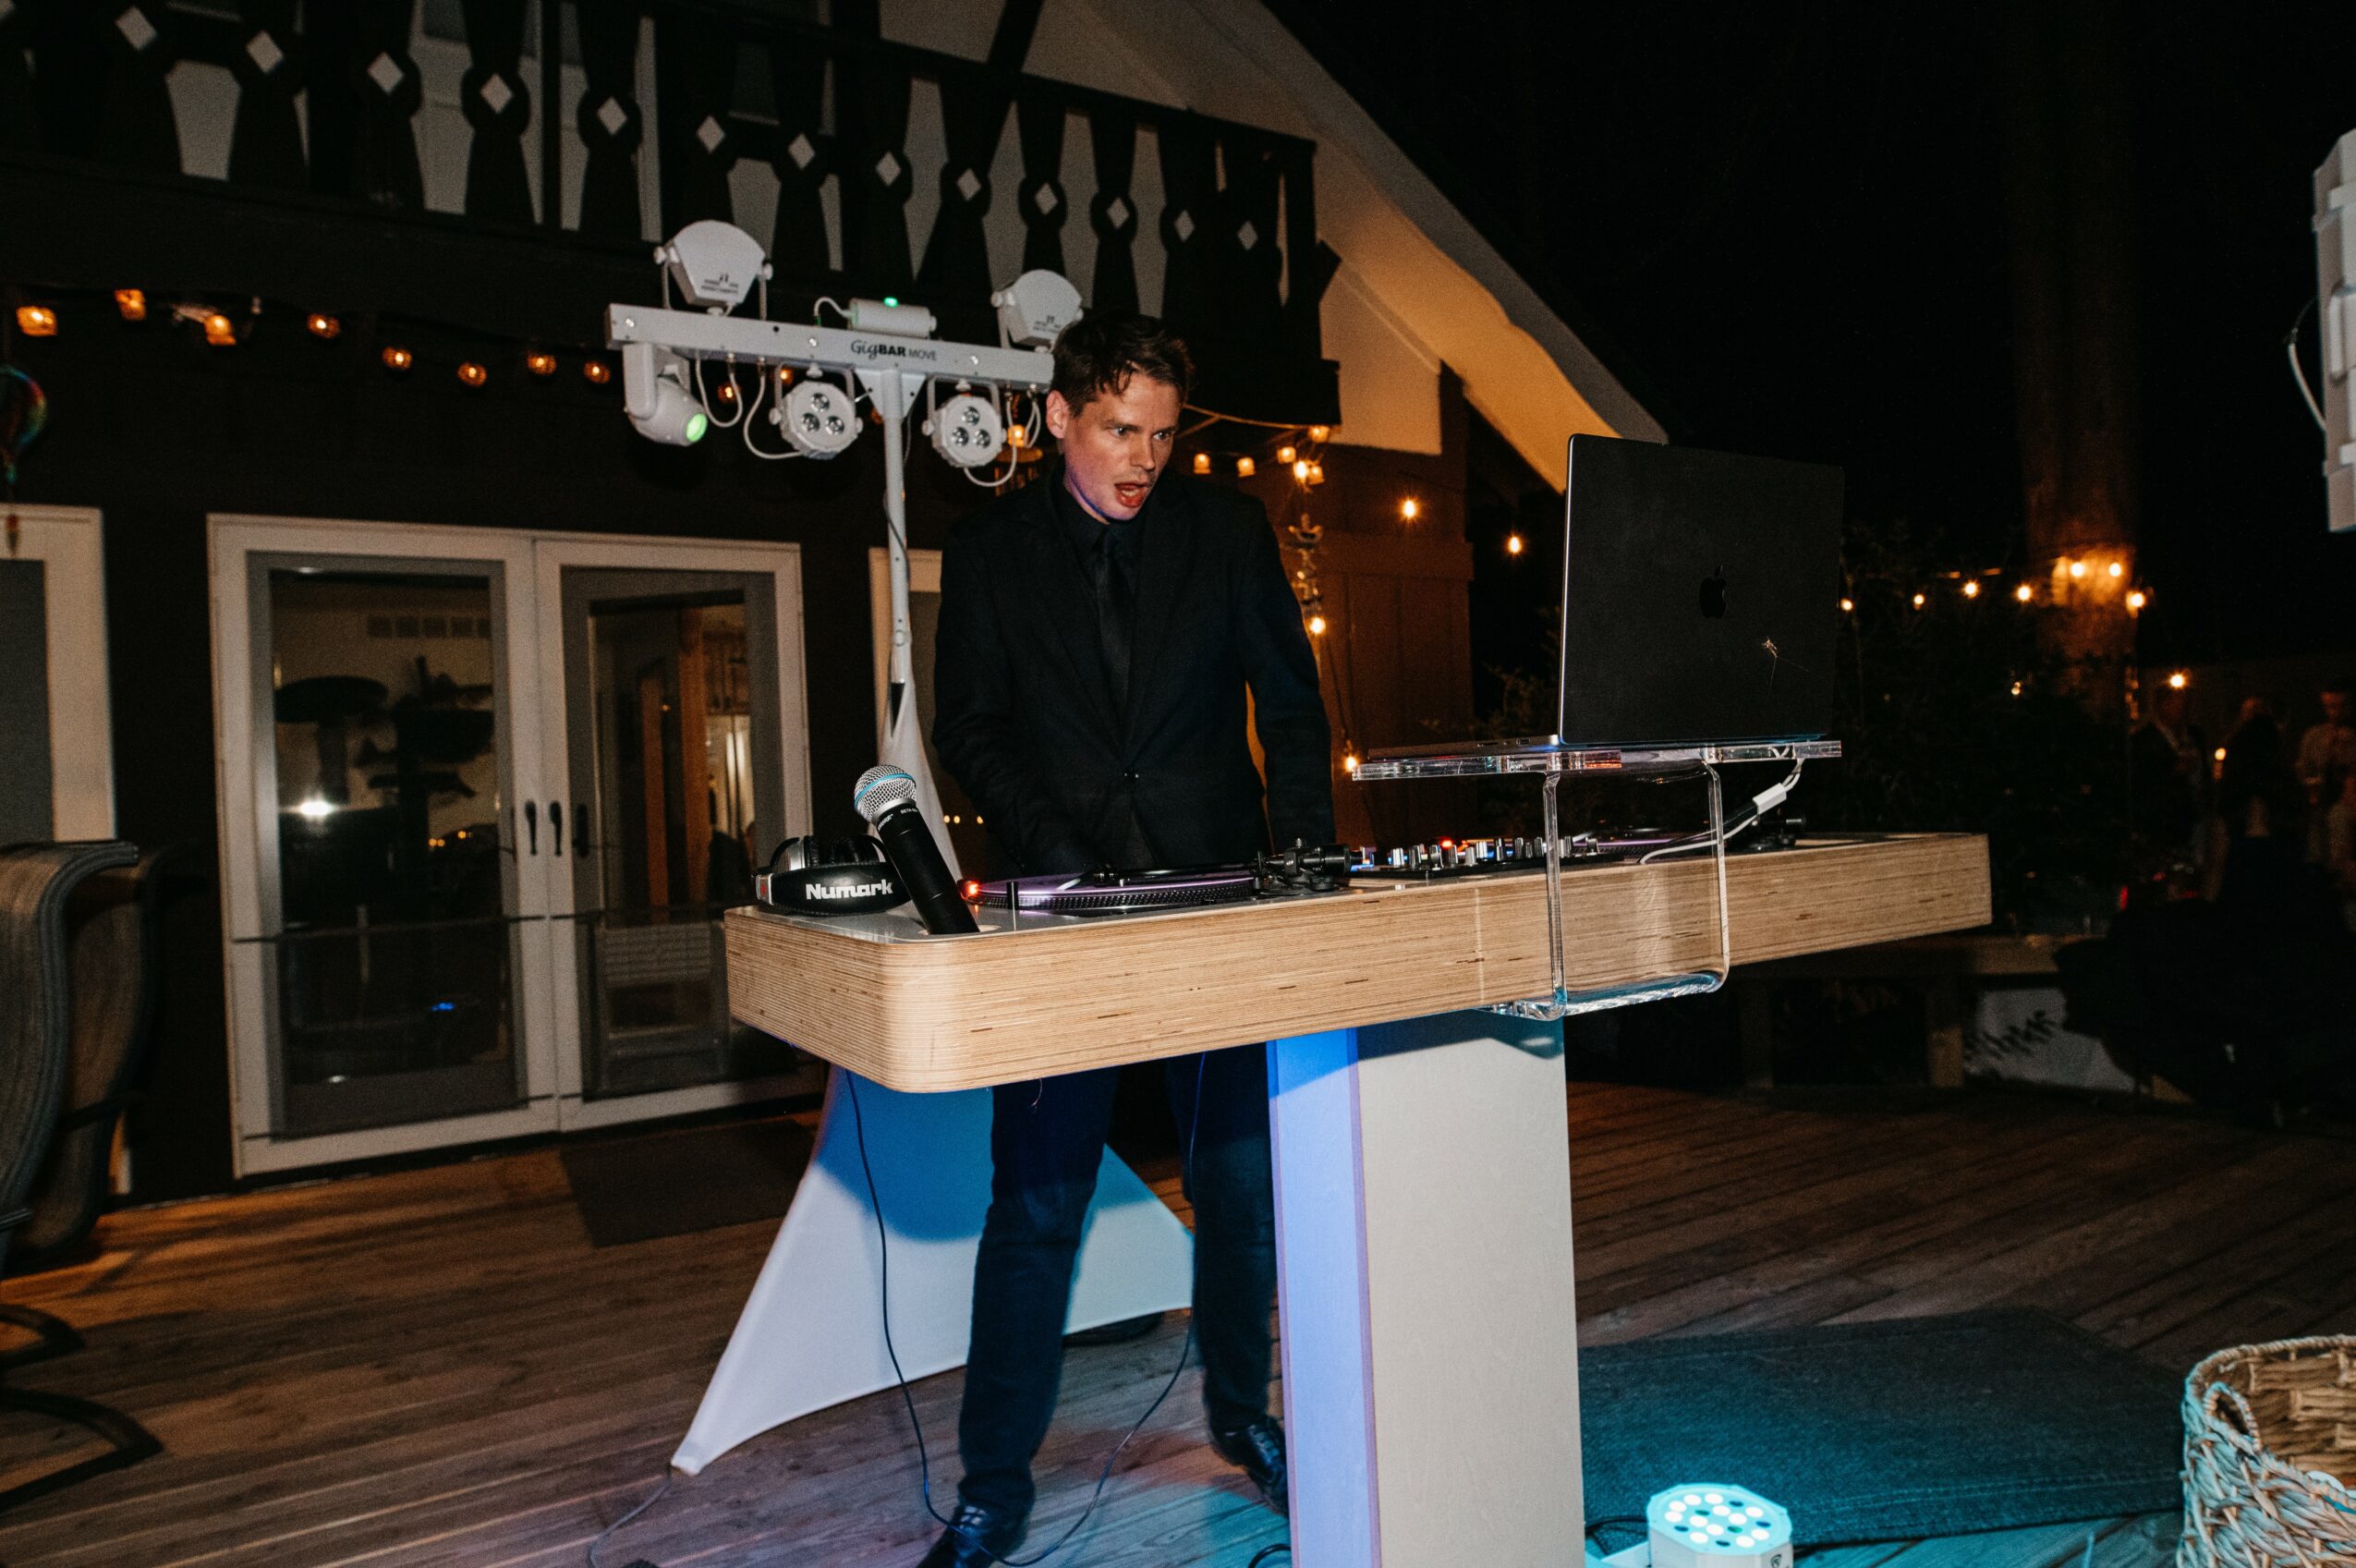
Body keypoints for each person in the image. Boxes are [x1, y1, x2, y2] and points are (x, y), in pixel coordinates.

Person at [924, 313, 1334, 1567]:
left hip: (1218, 898)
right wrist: (1061, 851)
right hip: (1069, 913)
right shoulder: (989, 550)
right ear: (1056, 416)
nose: (1142, 457)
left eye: (1159, 434)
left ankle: (1242, 1418)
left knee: (1239, 1189)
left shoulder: (1225, 529)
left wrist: (1304, 859)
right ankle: (993, 1486)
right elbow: (971, 729)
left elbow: (1291, 700)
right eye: (1117, 429)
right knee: (1035, 1204)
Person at [2296, 675, 2356, 863]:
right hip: (2319, 808)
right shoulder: (2315, 736)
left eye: (2342, 706)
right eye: (2330, 707)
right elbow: (2303, 772)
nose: (2336, 713)